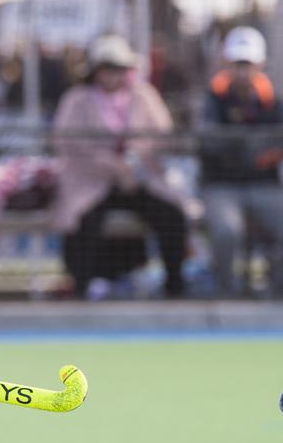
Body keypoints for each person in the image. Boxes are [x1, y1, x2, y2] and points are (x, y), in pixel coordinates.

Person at [51, 34, 188, 299]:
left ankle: (175, 284)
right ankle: (82, 285)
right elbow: (66, 141)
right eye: (106, 68)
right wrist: (112, 166)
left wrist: (131, 163)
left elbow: (160, 134)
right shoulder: (77, 99)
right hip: (91, 181)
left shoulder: (143, 96)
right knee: (84, 220)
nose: (112, 76)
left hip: (138, 180)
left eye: (118, 69)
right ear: (95, 70)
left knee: (171, 215)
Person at [198, 26, 283, 298]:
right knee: (226, 232)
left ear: (260, 64)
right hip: (223, 186)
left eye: (249, 63)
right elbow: (210, 144)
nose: (244, 70)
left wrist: (251, 151)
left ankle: (274, 293)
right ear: (229, 64)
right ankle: (227, 295)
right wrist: (250, 149)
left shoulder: (275, 104)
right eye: (238, 63)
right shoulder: (212, 100)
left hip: (266, 186)